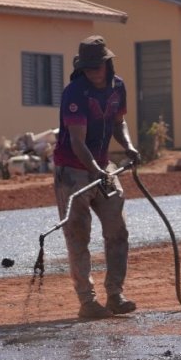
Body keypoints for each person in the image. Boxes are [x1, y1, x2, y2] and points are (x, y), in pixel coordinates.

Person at [53, 35, 142, 319]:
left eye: (97, 66)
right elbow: (78, 142)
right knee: (78, 235)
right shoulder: (75, 92)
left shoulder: (118, 87)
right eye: (88, 68)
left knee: (117, 230)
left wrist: (128, 145)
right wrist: (95, 169)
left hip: (103, 167)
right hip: (73, 172)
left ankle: (115, 294)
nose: (93, 72)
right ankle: (87, 301)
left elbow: (119, 122)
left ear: (107, 64)